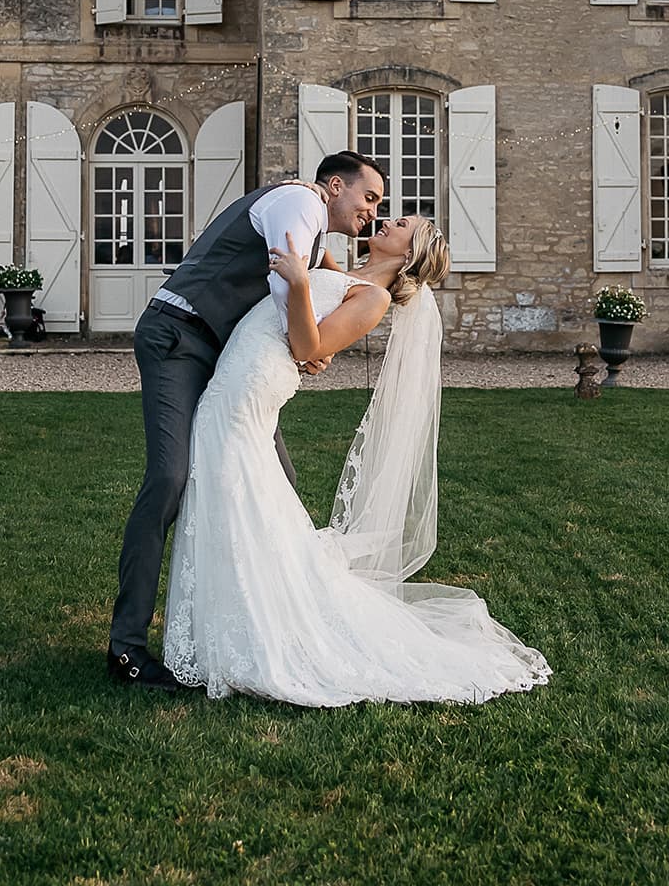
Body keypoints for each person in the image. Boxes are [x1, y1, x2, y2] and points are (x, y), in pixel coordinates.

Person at [161, 217, 550, 707]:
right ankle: (240, 622)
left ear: (409, 255)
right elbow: (323, 250)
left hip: (254, 383)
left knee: (232, 486)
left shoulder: (375, 299)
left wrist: (300, 284)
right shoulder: (347, 273)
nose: (387, 218)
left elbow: (311, 347)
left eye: (401, 224)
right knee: (240, 491)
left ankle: (252, 634)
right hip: (243, 369)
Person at [107, 151, 384, 686]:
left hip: (225, 357)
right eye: (368, 197)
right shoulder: (300, 201)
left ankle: (266, 627)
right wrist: (308, 348)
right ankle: (127, 648)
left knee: (279, 479)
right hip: (179, 336)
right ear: (333, 186)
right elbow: (286, 286)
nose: (373, 211)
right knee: (168, 479)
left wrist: (316, 341)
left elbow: (321, 285)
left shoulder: (313, 228)